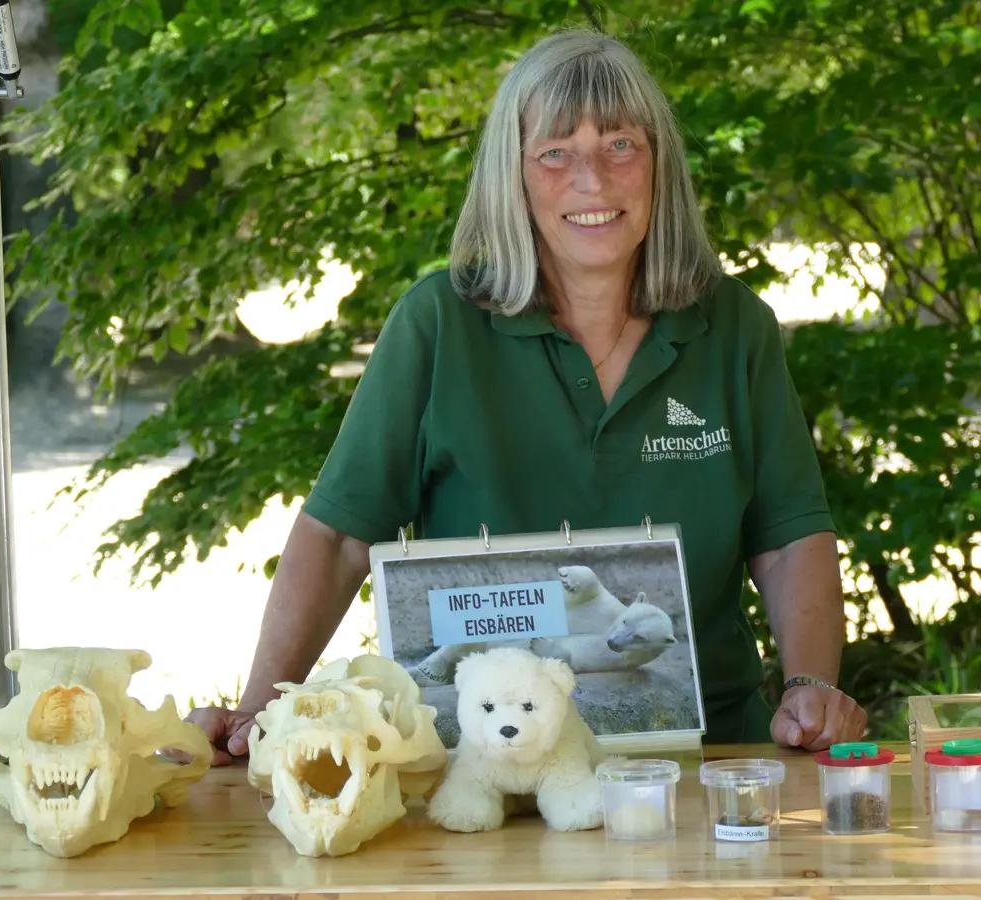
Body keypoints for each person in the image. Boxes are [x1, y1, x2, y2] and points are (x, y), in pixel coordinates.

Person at [187, 28, 867, 766]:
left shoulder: (735, 327)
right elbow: (341, 536)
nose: (593, 182)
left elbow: (788, 536)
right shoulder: (438, 323)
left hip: (706, 757)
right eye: (555, 153)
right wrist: (261, 709)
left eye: (620, 145)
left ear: (658, 165)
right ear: (512, 176)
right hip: (480, 764)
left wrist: (808, 685)